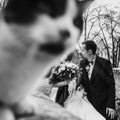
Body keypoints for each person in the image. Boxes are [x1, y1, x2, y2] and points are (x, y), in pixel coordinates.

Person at [78, 40, 117, 120]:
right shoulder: (82, 63)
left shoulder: (104, 63)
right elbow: (82, 81)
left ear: (89, 51)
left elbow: (111, 85)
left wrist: (111, 105)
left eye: (82, 50)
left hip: (104, 104)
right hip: (89, 103)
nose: (80, 52)